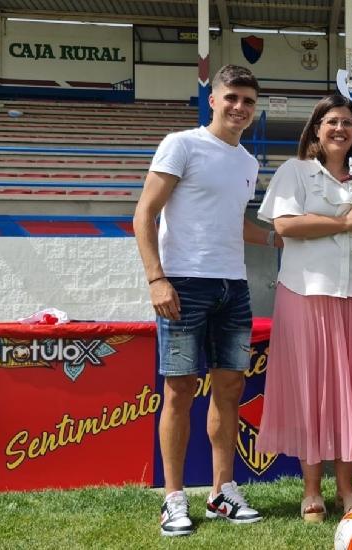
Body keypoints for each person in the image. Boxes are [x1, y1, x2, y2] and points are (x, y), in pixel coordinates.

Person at [133, 65, 278, 536]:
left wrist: (286, 239)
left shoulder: (247, 162)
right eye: (231, 97)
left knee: (230, 389)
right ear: (212, 99)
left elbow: (235, 224)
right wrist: (157, 278)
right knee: (177, 392)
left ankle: (221, 491)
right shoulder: (181, 144)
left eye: (248, 102)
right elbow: (145, 214)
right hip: (184, 285)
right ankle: (173, 498)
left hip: (232, 287)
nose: (239, 107)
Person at [256, 94, 352, 523]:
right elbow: (285, 226)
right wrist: (343, 223)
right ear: (317, 129)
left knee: (349, 394)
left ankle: (347, 488)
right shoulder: (295, 172)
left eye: (349, 123)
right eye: (333, 121)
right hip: (306, 294)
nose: (341, 129)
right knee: (311, 392)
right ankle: (310, 492)